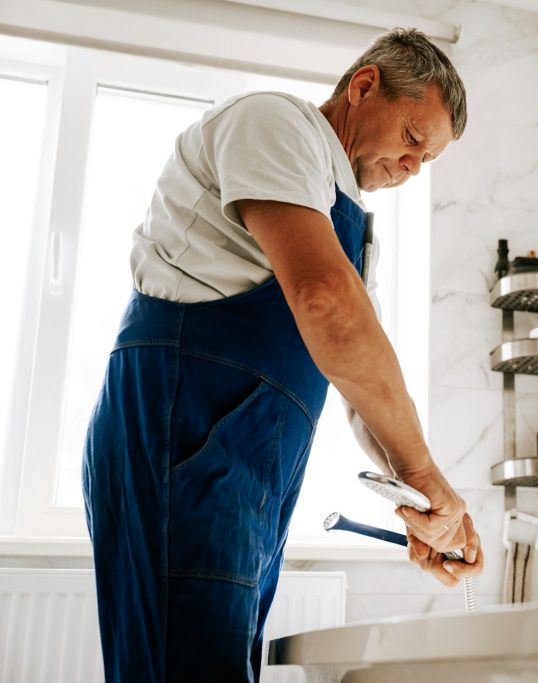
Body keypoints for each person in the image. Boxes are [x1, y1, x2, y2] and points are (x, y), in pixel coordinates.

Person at [82, 27, 483, 682]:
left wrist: (423, 504)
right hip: (179, 435)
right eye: (412, 139)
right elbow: (326, 302)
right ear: (364, 86)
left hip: (247, 474)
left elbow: (359, 376)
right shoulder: (275, 124)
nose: (411, 170)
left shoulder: (347, 224)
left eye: (425, 162)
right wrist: (430, 474)